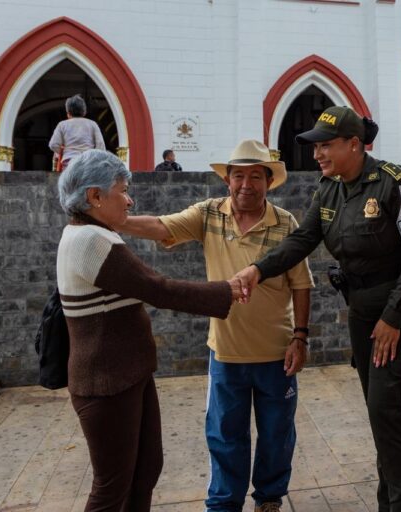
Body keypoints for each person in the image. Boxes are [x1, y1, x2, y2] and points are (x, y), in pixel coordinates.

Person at [234, 106, 401, 512]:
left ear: (354, 145)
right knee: (380, 411)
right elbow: (303, 239)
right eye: (316, 147)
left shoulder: (394, 182)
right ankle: (390, 501)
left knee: (388, 411)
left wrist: (393, 318)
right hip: (362, 309)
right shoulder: (328, 189)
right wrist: (258, 268)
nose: (318, 155)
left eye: (326, 146)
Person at [119, 139, 313, 512]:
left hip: (276, 353)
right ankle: (225, 504)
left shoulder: (285, 222)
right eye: (238, 175)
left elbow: (301, 284)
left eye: (255, 176)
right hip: (225, 353)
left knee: (277, 434)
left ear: (268, 182)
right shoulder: (209, 215)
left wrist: (300, 338)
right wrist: (117, 221)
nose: (246, 184)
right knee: (225, 435)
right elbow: (162, 226)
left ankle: (269, 498)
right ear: (227, 180)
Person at [56, 149, 241, 511]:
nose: (129, 199)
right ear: (94, 196)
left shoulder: (92, 233)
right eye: (122, 190)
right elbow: (157, 288)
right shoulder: (91, 241)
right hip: (107, 382)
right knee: (111, 487)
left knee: (144, 471)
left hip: (126, 375)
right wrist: (225, 290)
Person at [49, 94, 106, 172]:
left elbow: (53, 145)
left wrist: (65, 151)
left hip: (69, 164)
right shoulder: (92, 124)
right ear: (84, 112)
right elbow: (101, 146)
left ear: (68, 113)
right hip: (88, 163)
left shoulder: (62, 125)